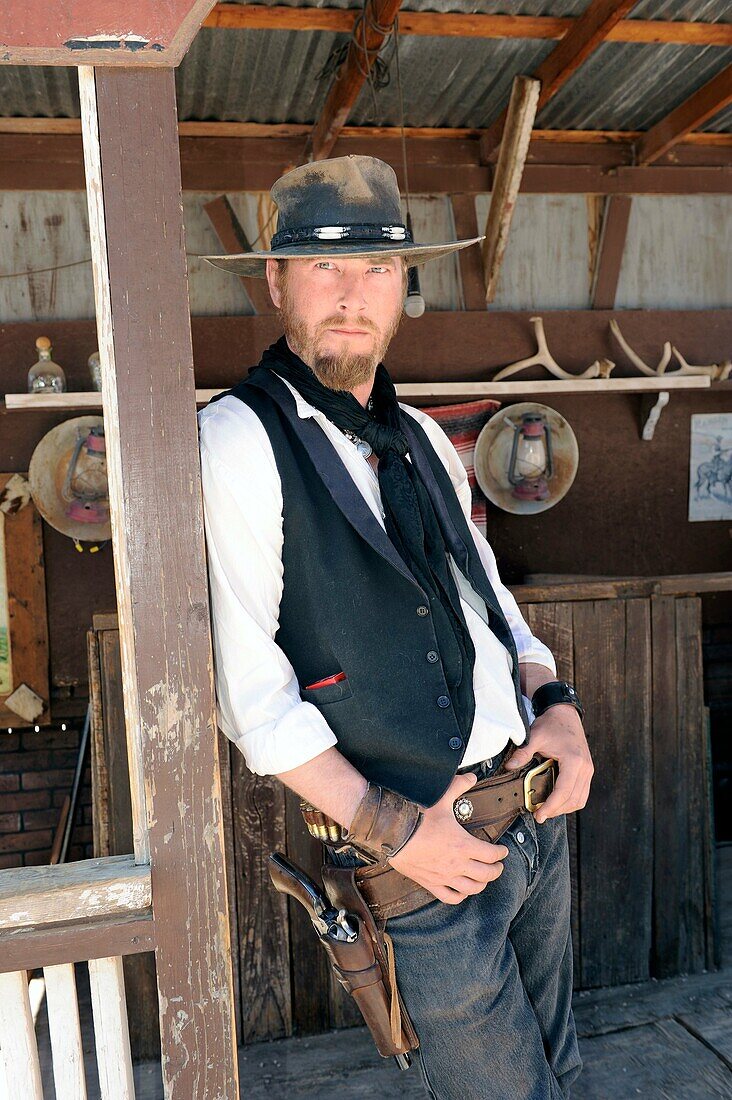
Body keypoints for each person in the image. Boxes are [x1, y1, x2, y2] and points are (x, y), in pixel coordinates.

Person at [197, 155, 592, 1099]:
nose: (351, 294)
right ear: (276, 281)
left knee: (565, 1075)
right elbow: (248, 695)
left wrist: (559, 705)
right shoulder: (237, 440)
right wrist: (393, 831)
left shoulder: (417, 433)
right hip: (418, 854)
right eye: (323, 268)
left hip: (529, 807)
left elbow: (490, 603)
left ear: (404, 287)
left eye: (377, 269)